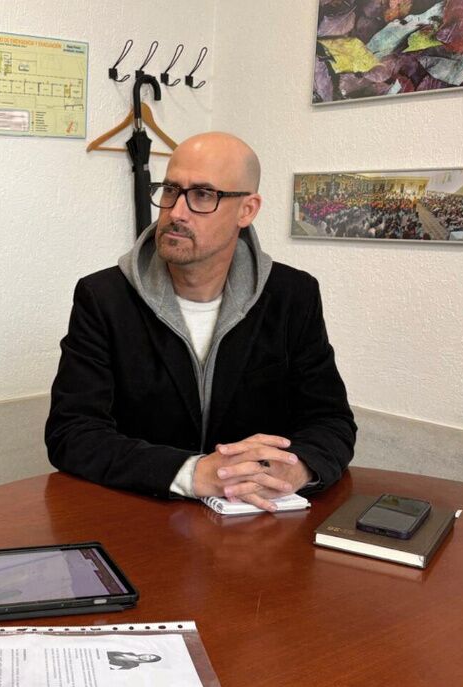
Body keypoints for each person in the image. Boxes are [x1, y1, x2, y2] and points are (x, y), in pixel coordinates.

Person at [45, 132, 356, 512]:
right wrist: (192, 472)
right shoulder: (104, 297)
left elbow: (331, 421)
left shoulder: (293, 296)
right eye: (171, 190)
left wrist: (297, 468)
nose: (176, 211)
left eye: (203, 195)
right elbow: (72, 433)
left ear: (247, 210)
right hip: (141, 519)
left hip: (259, 530)